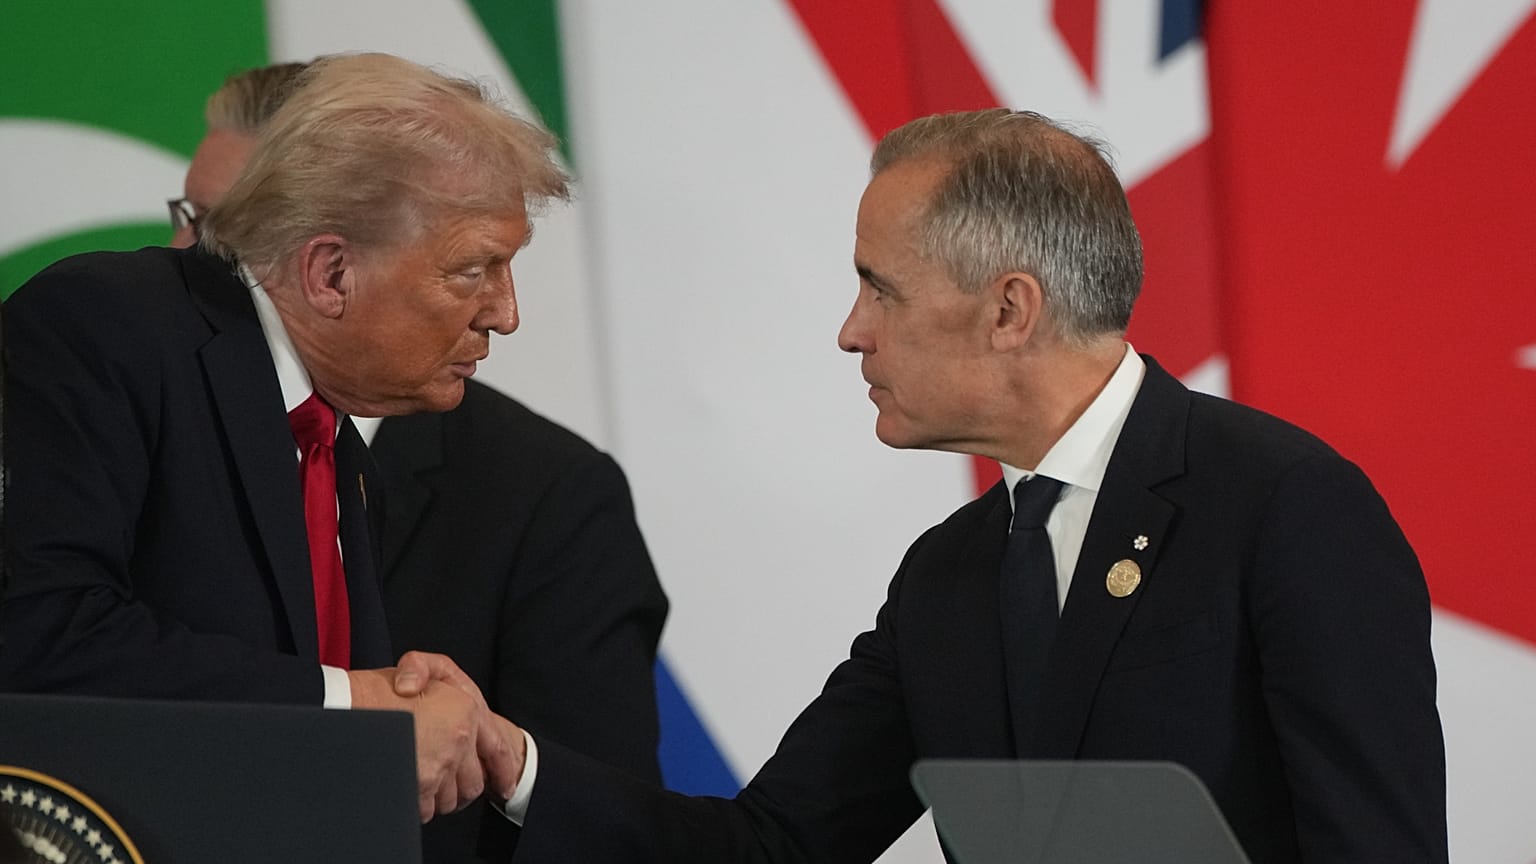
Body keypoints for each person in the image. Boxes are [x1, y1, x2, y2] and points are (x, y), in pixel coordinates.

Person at [495, 110, 1449, 863]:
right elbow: (772, 845)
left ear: (1008, 310)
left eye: (881, 288)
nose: (851, 331)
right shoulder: (947, 576)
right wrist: (514, 765)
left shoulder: (1287, 507)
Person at [0, 53, 571, 825]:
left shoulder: (330, 435)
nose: (505, 313)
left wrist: (405, 709)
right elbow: (40, 631)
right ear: (330, 273)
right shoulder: (103, 326)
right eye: (474, 269)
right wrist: (358, 702)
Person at [172, 62, 670, 863]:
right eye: (192, 218)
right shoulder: (139, 437)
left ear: (326, 262)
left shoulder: (549, 495)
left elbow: (595, 820)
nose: (189, 261)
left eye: (229, 231)